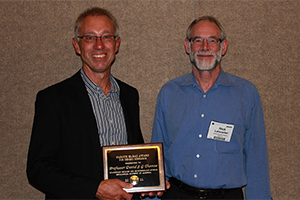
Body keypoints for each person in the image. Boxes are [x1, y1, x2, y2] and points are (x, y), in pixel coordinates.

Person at [27, 7, 145, 199]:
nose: (99, 45)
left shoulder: (130, 95)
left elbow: (134, 155)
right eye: (90, 38)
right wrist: (94, 189)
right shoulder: (52, 99)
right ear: (77, 45)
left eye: (106, 37)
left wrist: (149, 181)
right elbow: (38, 169)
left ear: (117, 44)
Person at [151, 16, 272, 199]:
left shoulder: (246, 94)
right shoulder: (169, 93)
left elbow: (257, 159)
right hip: (177, 194)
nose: (204, 47)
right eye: (197, 40)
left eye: (212, 40)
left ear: (223, 47)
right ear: (187, 46)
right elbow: (157, 154)